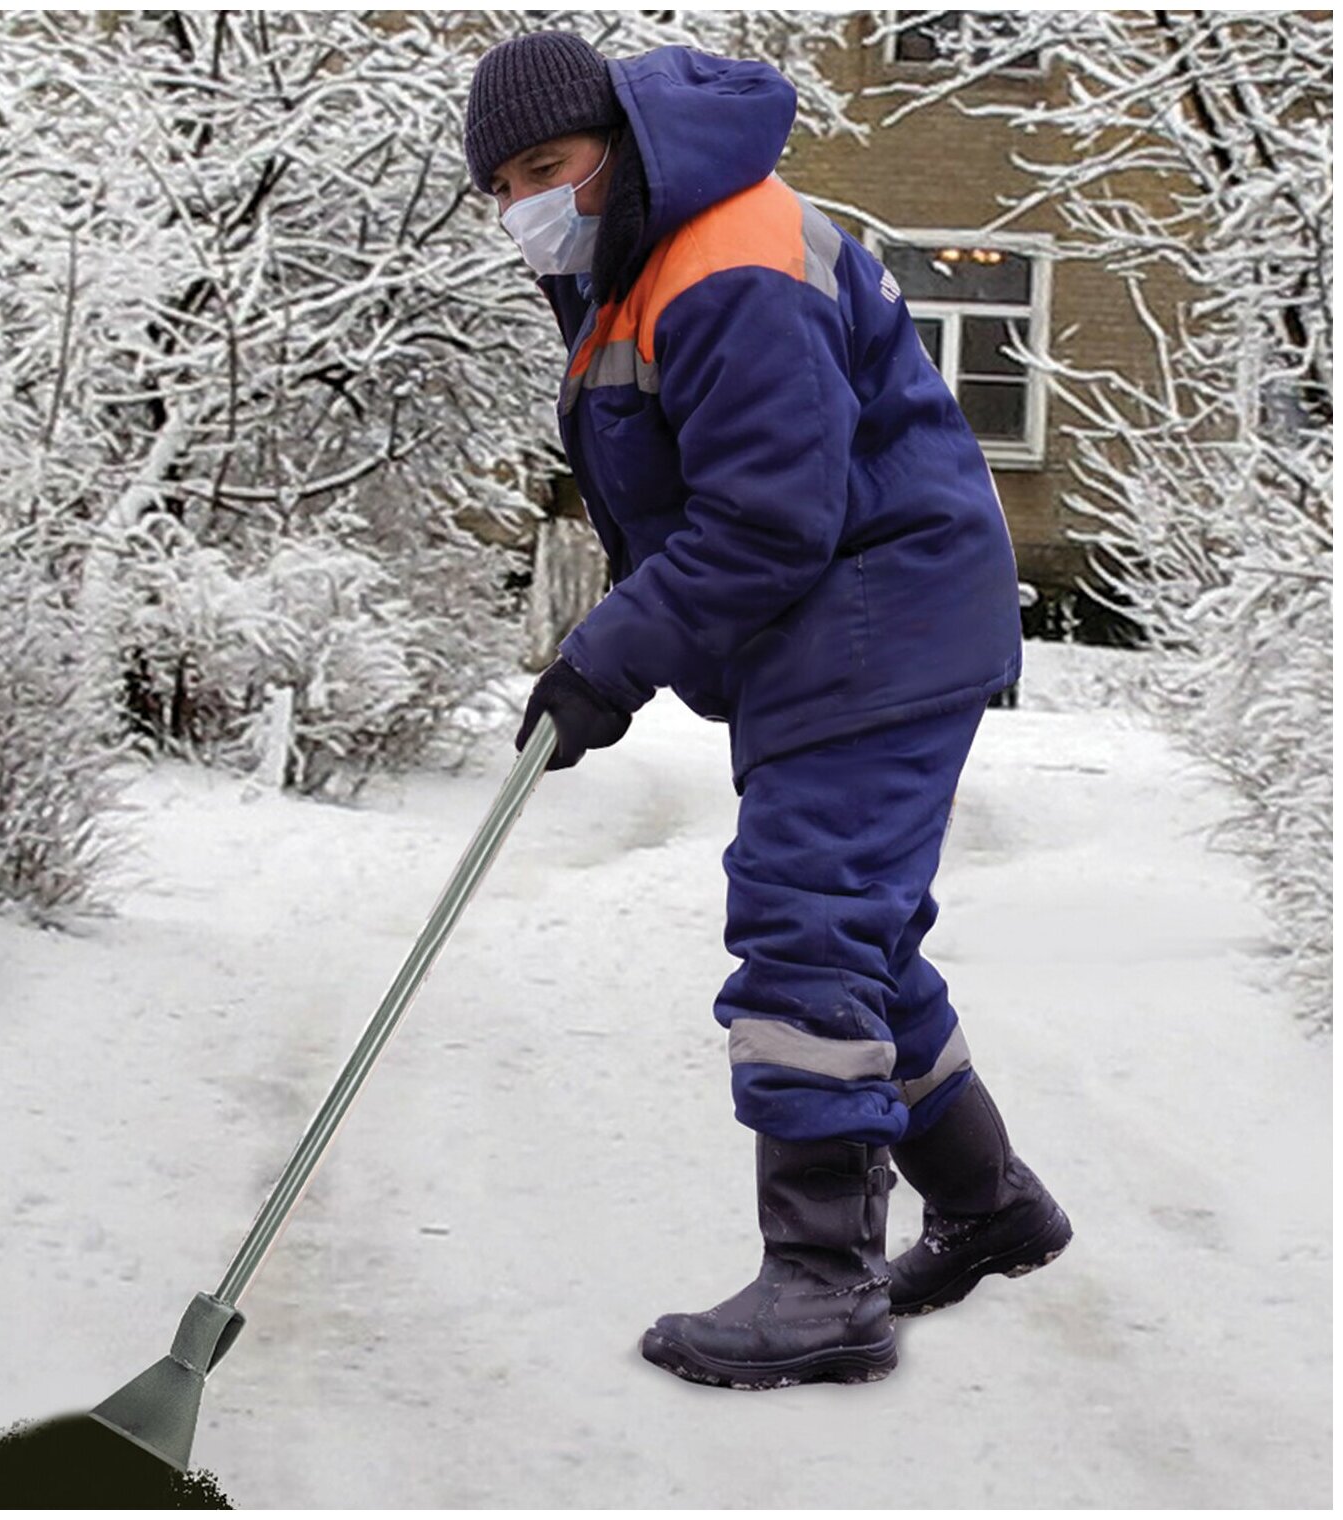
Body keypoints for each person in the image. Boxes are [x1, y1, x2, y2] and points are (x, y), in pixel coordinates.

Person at [463, 31, 1071, 1390]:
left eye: (545, 168)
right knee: (861, 934)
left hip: (881, 612)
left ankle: (819, 1288)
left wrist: (604, 662)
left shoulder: (725, 256)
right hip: (844, 625)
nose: (523, 207)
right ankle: (988, 1206)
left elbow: (768, 519)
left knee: (807, 922)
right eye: (498, 185)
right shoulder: (640, 257)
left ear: (615, 144)